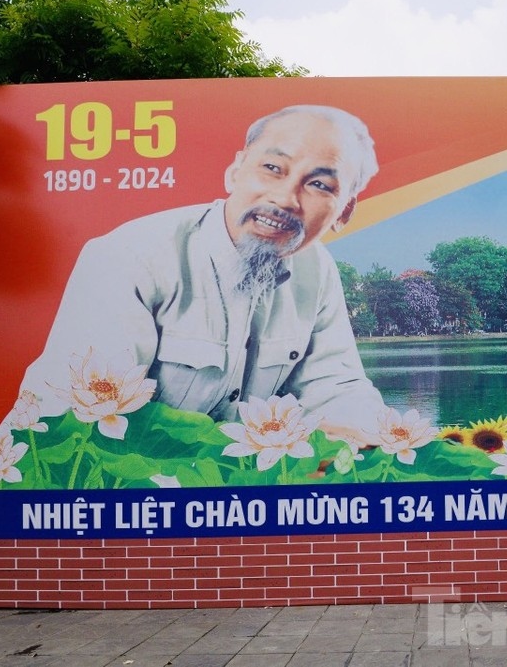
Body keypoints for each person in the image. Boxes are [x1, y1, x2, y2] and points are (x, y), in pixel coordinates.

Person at [19, 105, 386, 432]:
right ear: (235, 172)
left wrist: (381, 441)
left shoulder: (315, 268)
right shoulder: (130, 256)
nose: (285, 199)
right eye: (273, 168)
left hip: (225, 498)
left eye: (320, 184)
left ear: (345, 211)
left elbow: (335, 388)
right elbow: (82, 421)